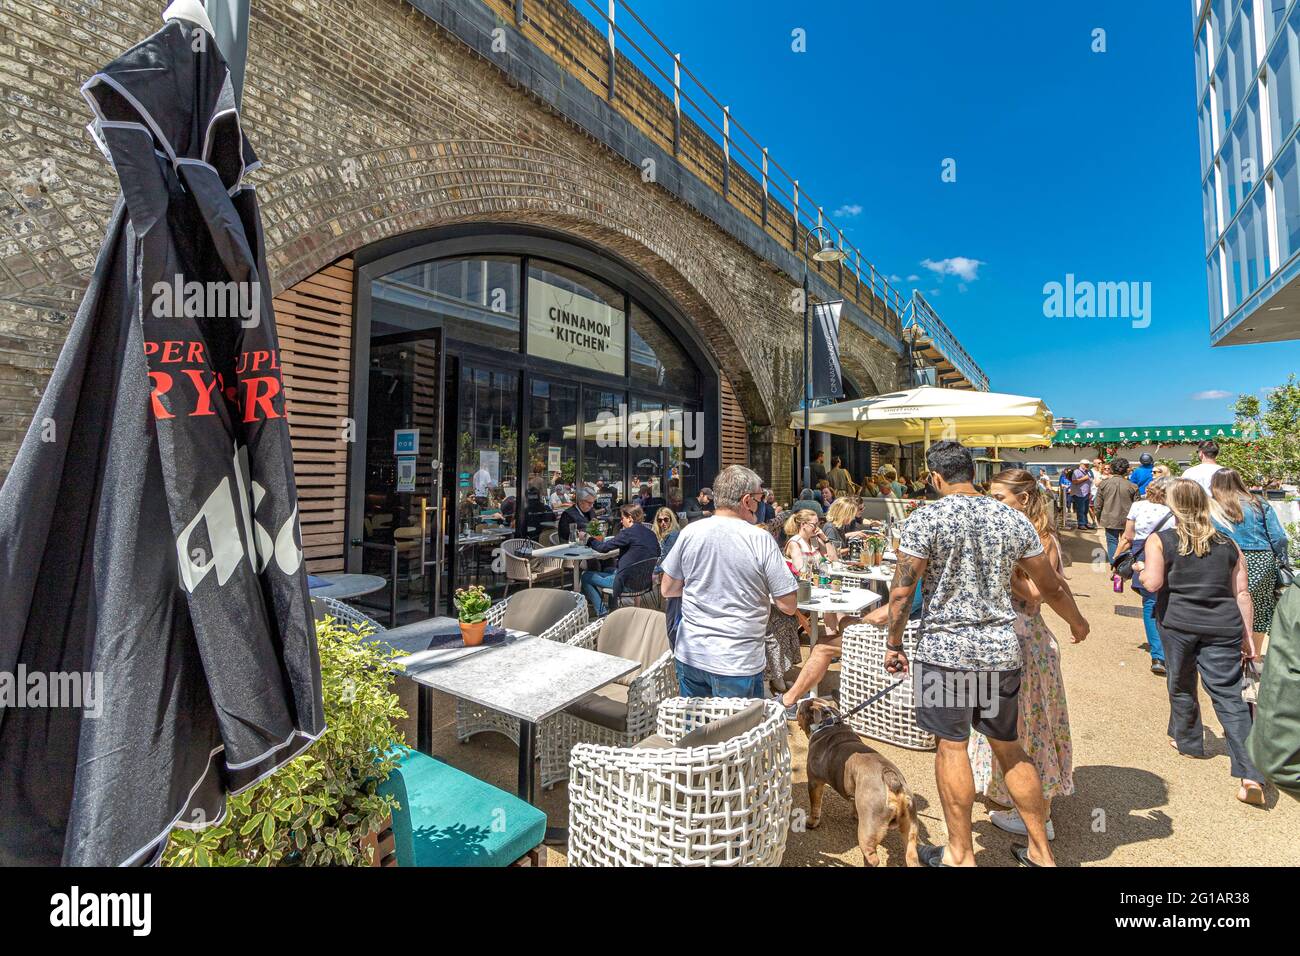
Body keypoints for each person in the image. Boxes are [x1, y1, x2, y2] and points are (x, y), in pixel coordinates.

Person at [884, 441, 1089, 868]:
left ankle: (960, 854)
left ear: (935, 477)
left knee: (952, 747)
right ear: (972, 472)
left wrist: (894, 642)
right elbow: (1049, 586)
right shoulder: (1011, 518)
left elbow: (903, 590)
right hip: (1000, 650)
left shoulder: (927, 518)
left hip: (946, 652)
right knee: (1009, 747)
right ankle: (1041, 852)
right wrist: (1076, 620)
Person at [1139, 480, 1266, 806]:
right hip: (1224, 626)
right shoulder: (1228, 543)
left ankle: (1189, 741)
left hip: (1178, 624)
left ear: (1173, 506)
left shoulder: (1161, 540)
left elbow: (1153, 583)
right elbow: (1242, 593)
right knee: (1230, 697)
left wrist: (1139, 570)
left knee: (1181, 682)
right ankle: (1250, 774)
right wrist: (1248, 636)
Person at [968, 469, 1075, 843]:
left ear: (1024, 499)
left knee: (1027, 724)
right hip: (1009, 639)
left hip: (1025, 642)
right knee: (1009, 723)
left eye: (999, 497)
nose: (992, 503)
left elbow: (1035, 593)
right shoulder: (1012, 533)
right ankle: (1015, 795)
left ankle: (1037, 813)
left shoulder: (1041, 538)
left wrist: (999, 566)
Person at [660, 466, 798, 698]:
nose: (760, 504)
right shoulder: (760, 539)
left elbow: (668, 588)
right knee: (738, 732)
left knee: (695, 732)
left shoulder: (690, 532)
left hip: (691, 655)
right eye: (759, 498)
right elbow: (788, 603)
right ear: (746, 500)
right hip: (737, 660)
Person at [1209, 468, 1290, 653]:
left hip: (1226, 558)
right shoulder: (1258, 503)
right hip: (1261, 558)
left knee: (1227, 603)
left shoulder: (1212, 506)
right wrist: (1282, 560)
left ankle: (1231, 652)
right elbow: (1279, 537)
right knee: (1260, 608)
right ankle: (1254, 655)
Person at [1112, 476, 1176, 674]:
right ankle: (1172, 648)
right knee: (1170, 599)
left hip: (1143, 550)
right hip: (1170, 549)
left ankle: (1158, 655)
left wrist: (1116, 561)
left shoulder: (1138, 507)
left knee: (1150, 603)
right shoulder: (1175, 509)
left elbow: (1128, 536)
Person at [581, 503, 660, 617]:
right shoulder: (651, 533)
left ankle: (602, 613)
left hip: (627, 583)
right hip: (644, 581)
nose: (621, 521)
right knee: (609, 569)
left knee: (585, 576)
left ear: (630, 518)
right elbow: (657, 552)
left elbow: (603, 548)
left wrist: (588, 539)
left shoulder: (627, 533)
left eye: (622, 518)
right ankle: (613, 610)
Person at [1094, 457, 1139, 561]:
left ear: (1112, 469)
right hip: (1127, 519)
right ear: (1126, 470)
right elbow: (1137, 506)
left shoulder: (1103, 484)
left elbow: (1097, 505)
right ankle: (1125, 566)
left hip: (1109, 518)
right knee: (1127, 542)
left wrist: (1099, 517)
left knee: (1112, 542)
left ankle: (1114, 566)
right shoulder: (1133, 486)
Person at [1067, 458, 1094, 530]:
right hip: (1079, 494)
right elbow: (1074, 481)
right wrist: (1085, 478)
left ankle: (1085, 523)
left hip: (1086, 493)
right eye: (1085, 465)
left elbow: (1090, 481)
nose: (1087, 466)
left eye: (1088, 465)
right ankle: (1081, 524)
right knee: (1080, 509)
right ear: (1081, 464)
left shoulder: (1087, 471)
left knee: (1085, 510)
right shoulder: (1076, 472)